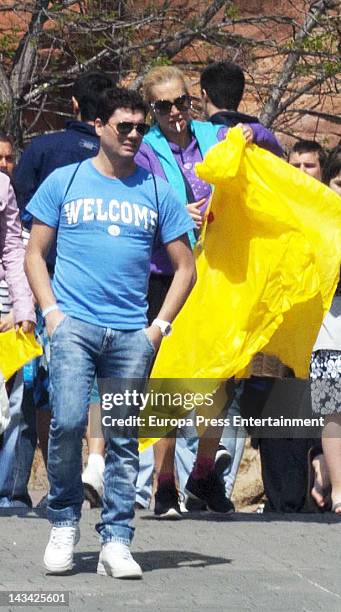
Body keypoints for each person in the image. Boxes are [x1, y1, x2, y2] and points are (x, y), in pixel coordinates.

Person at [24, 87, 196, 577]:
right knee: (69, 421)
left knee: (122, 438)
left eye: (142, 127)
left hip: (129, 336)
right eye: (125, 126)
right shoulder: (65, 180)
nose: (135, 135)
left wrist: (158, 327)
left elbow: (186, 267)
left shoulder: (158, 188)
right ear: (99, 126)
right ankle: (63, 521)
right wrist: (51, 313)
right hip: (73, 325)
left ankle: (117, 540)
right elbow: (34, 252)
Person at [134, 64, 283, 518]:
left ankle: (203, 473)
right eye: (164, 107)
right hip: (169, 274)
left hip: (219, 272)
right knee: (172, 377)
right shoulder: (144, 149)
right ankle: (164, 483)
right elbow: (138, 198)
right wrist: (177, 210)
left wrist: (257, 136)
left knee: (218, 376)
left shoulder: (214, 133)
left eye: (183, 102)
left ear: (192, 99)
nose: (177, 113)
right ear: (151, 109)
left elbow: (273, 148)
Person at [15, 71, 114, 504]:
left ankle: (63, 472)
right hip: (110, 286)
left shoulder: (42, 149)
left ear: (74, 104)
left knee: (46, 382)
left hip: (50, 287)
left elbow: (20, 219)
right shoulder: (128, 156)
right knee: (97, 377)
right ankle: (95, 461)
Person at [309, 147, 341, 513]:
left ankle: (326, 476)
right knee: (333, 411)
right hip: (327, 326)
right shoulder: (315, 221)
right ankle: (336, 492)